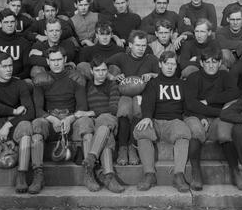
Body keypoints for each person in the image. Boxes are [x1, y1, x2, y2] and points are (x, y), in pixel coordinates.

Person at [183, 47, 242, 191]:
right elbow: (191, 104)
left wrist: (209, 100)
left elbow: (234, 92)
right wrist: (212, 113)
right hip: (196, 116)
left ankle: (235, 171)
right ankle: (196, 173)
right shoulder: (194, 78)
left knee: (225, 133)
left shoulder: (225, 76)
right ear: (201, 63)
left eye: (215, 62)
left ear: (220, 63)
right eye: (207, 62)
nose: (211, 65)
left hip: (218, 118)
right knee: (196, 131)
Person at [30, 46, 91, 194]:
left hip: (71, 117)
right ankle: (38, 174)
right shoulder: (41, 79)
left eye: (59, 60)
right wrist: (52, 119)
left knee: (86, 124)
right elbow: (37, 109)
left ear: (64, 60)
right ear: (47, 61)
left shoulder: (76, 77)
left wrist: (70, 119)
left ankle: (89, 173)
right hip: (50, 119)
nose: (56, 63)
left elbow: (82, 106)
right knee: (37, 125)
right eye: (53, 60)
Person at [134, 51, 191, 192]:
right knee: (142, 130)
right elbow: (147, 102)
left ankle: (179, 175)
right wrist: (147, 116)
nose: (170, 67)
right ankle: (149, 174)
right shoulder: (153, 83)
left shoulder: (182, 84)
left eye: (173, 64)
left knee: (183, 131)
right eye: (167, 64)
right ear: (160, 64)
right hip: (156, 121)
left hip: (174, 122)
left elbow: (189, 105)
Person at [0, 52, 36, 193]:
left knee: (27, 125)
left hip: (14, 125)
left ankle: (21, 174)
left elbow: (30, 112)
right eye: (4, 66)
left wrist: (9, 124)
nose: (9, 69)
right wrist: (14, 111)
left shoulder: (20, 84)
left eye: (10, 65)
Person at [107, 30, 159, 166]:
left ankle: (132, 147)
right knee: (124, 108)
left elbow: (164, 76)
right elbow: (99, 67)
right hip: (125, 94)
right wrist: (112, 77)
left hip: (143, 95)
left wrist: (153, 75)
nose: (141, 49)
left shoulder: (151, 59)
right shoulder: (121, 57)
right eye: (138, 45)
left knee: (137, 107)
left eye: (144, 45)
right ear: (130, 45)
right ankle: (123, 148)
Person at [75, 56, 125, 193]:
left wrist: (90, 112)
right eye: (98, 70)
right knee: (86, 124)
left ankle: (90, 160)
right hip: (92, 120)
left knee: (104, 124)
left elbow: (113, 109)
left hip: (108, 119)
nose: (101, 73)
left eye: (104, 70)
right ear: (92, 71)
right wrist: (88, 115)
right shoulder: (87, 85)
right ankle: (105, 176)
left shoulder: (112, 85)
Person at [0, 9, 32, 80]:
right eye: (6, 22)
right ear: (0, 24)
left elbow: (27, 68)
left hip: (18, 80)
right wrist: (0, 79)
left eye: (12, 22)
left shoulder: (24, 43)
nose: (9, 25)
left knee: (28, 82)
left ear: (16, 23)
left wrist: (17, 78)